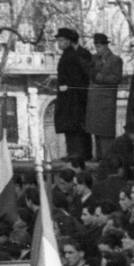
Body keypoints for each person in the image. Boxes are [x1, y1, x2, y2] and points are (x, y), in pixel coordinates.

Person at [53, 28, 91, 164]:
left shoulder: (72, 55)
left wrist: (67, 87)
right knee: (73, 124)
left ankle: (77, 154)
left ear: (69, 41)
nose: (59, 43)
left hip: (73, 96)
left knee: (74, 124)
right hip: (71, 95)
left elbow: (77, 76)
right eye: (58, 40)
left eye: (61, 40)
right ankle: (75, 153)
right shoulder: (69, 54)